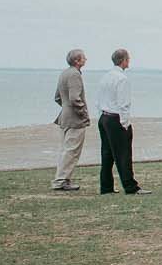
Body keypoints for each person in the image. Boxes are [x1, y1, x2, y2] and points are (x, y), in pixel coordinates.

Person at [94, 47, 140, 196]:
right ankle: (130, 186)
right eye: (128, 59)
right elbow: (124, 104)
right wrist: (125, 124)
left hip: (104, 117)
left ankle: (106, 186)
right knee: (123, 154)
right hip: (115, 118)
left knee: (107, 153)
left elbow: (99, 100)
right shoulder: (122, 79)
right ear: (124, 60)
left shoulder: (105, 77)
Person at [53, 49, 89, 193]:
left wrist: (66, 107)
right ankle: (61, 180)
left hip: (65, 116)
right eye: (83, 58)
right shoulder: (74, 74)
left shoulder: (64, 73)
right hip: (74, 118)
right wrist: (83, 113)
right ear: (77, 61)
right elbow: (75, 98)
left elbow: (57, 97)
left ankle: (62, 179)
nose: (86, 59)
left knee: (66, 149)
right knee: (72, 151)